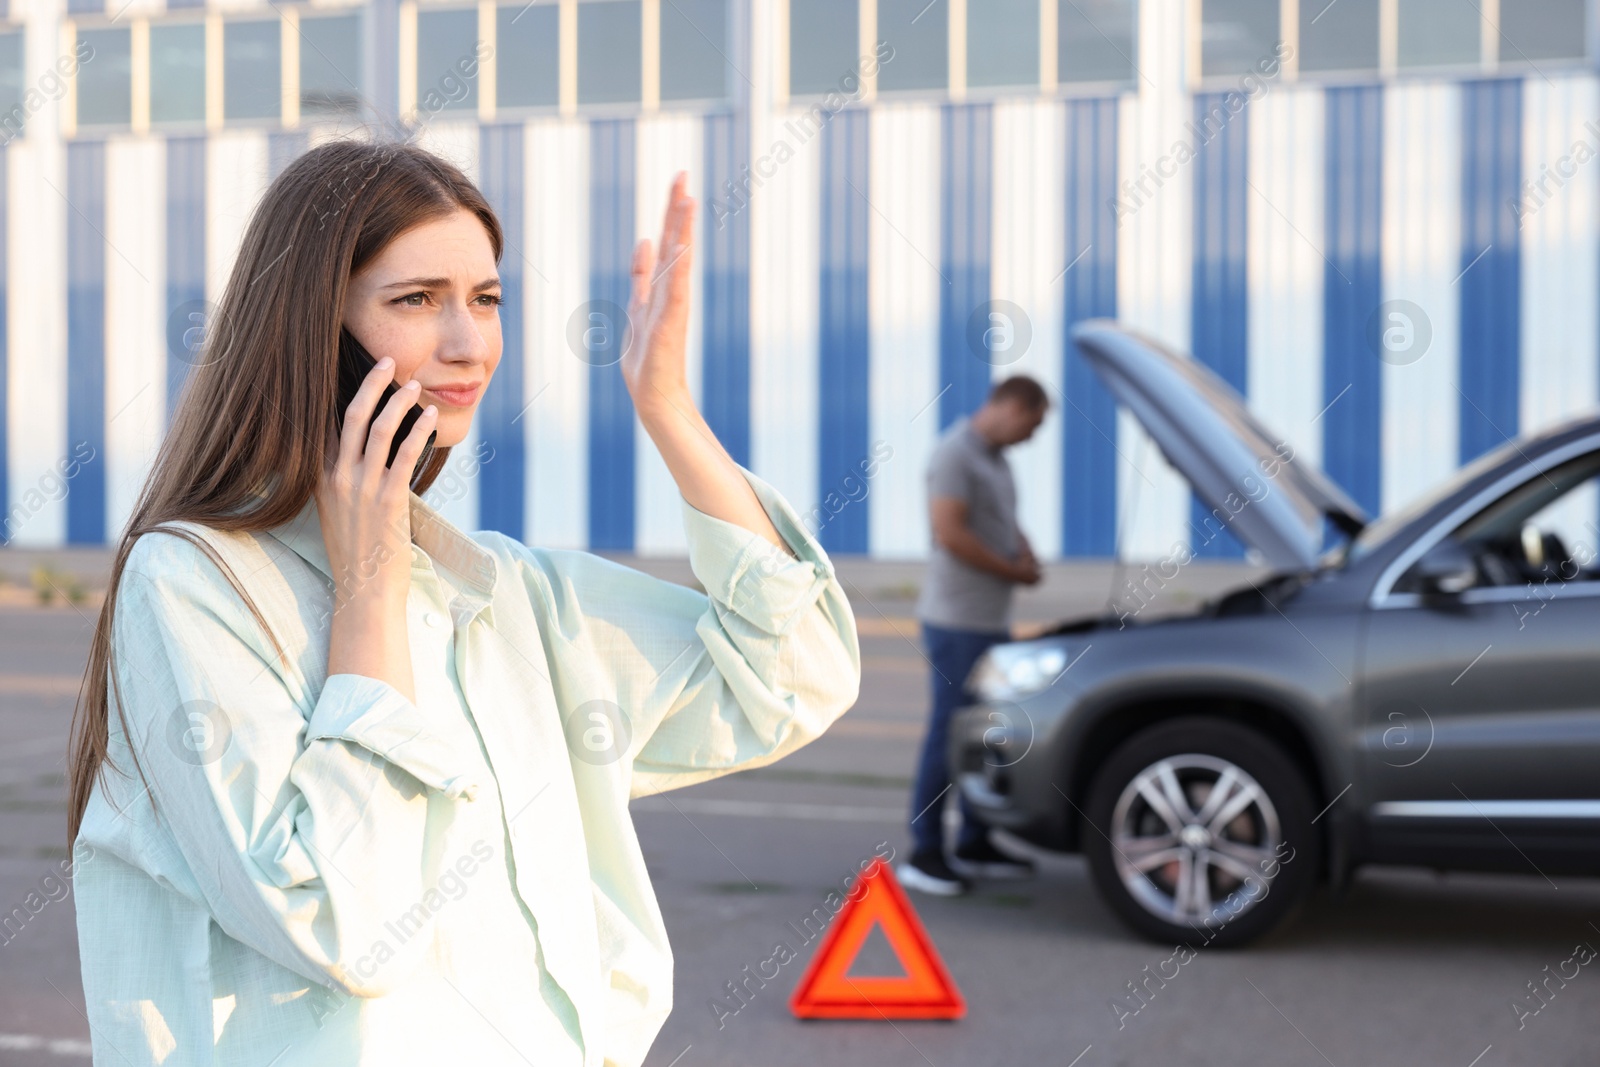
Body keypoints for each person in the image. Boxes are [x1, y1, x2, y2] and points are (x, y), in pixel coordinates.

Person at [65, 140, 861, 1067]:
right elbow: (347, 924)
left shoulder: (507, 593)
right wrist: (369, 592)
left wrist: (670, 412)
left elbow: (795, 674)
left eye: (486, 299)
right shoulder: (195, 583)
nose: (469, 342)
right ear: (312, 326)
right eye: (417, 300)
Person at [898, 377, 1049, 896]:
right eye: (1033, 424)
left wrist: (1023, 551)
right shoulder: (955, 454)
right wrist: (1012, 573)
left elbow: (1003, 521)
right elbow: (950, 532)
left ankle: (976, 840)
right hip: (956, 621)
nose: (1032, 436)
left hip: (988, 620)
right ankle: (925, 851)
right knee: (948, 733)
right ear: (1012, 406)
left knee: (986, 734)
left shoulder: (996, 458)